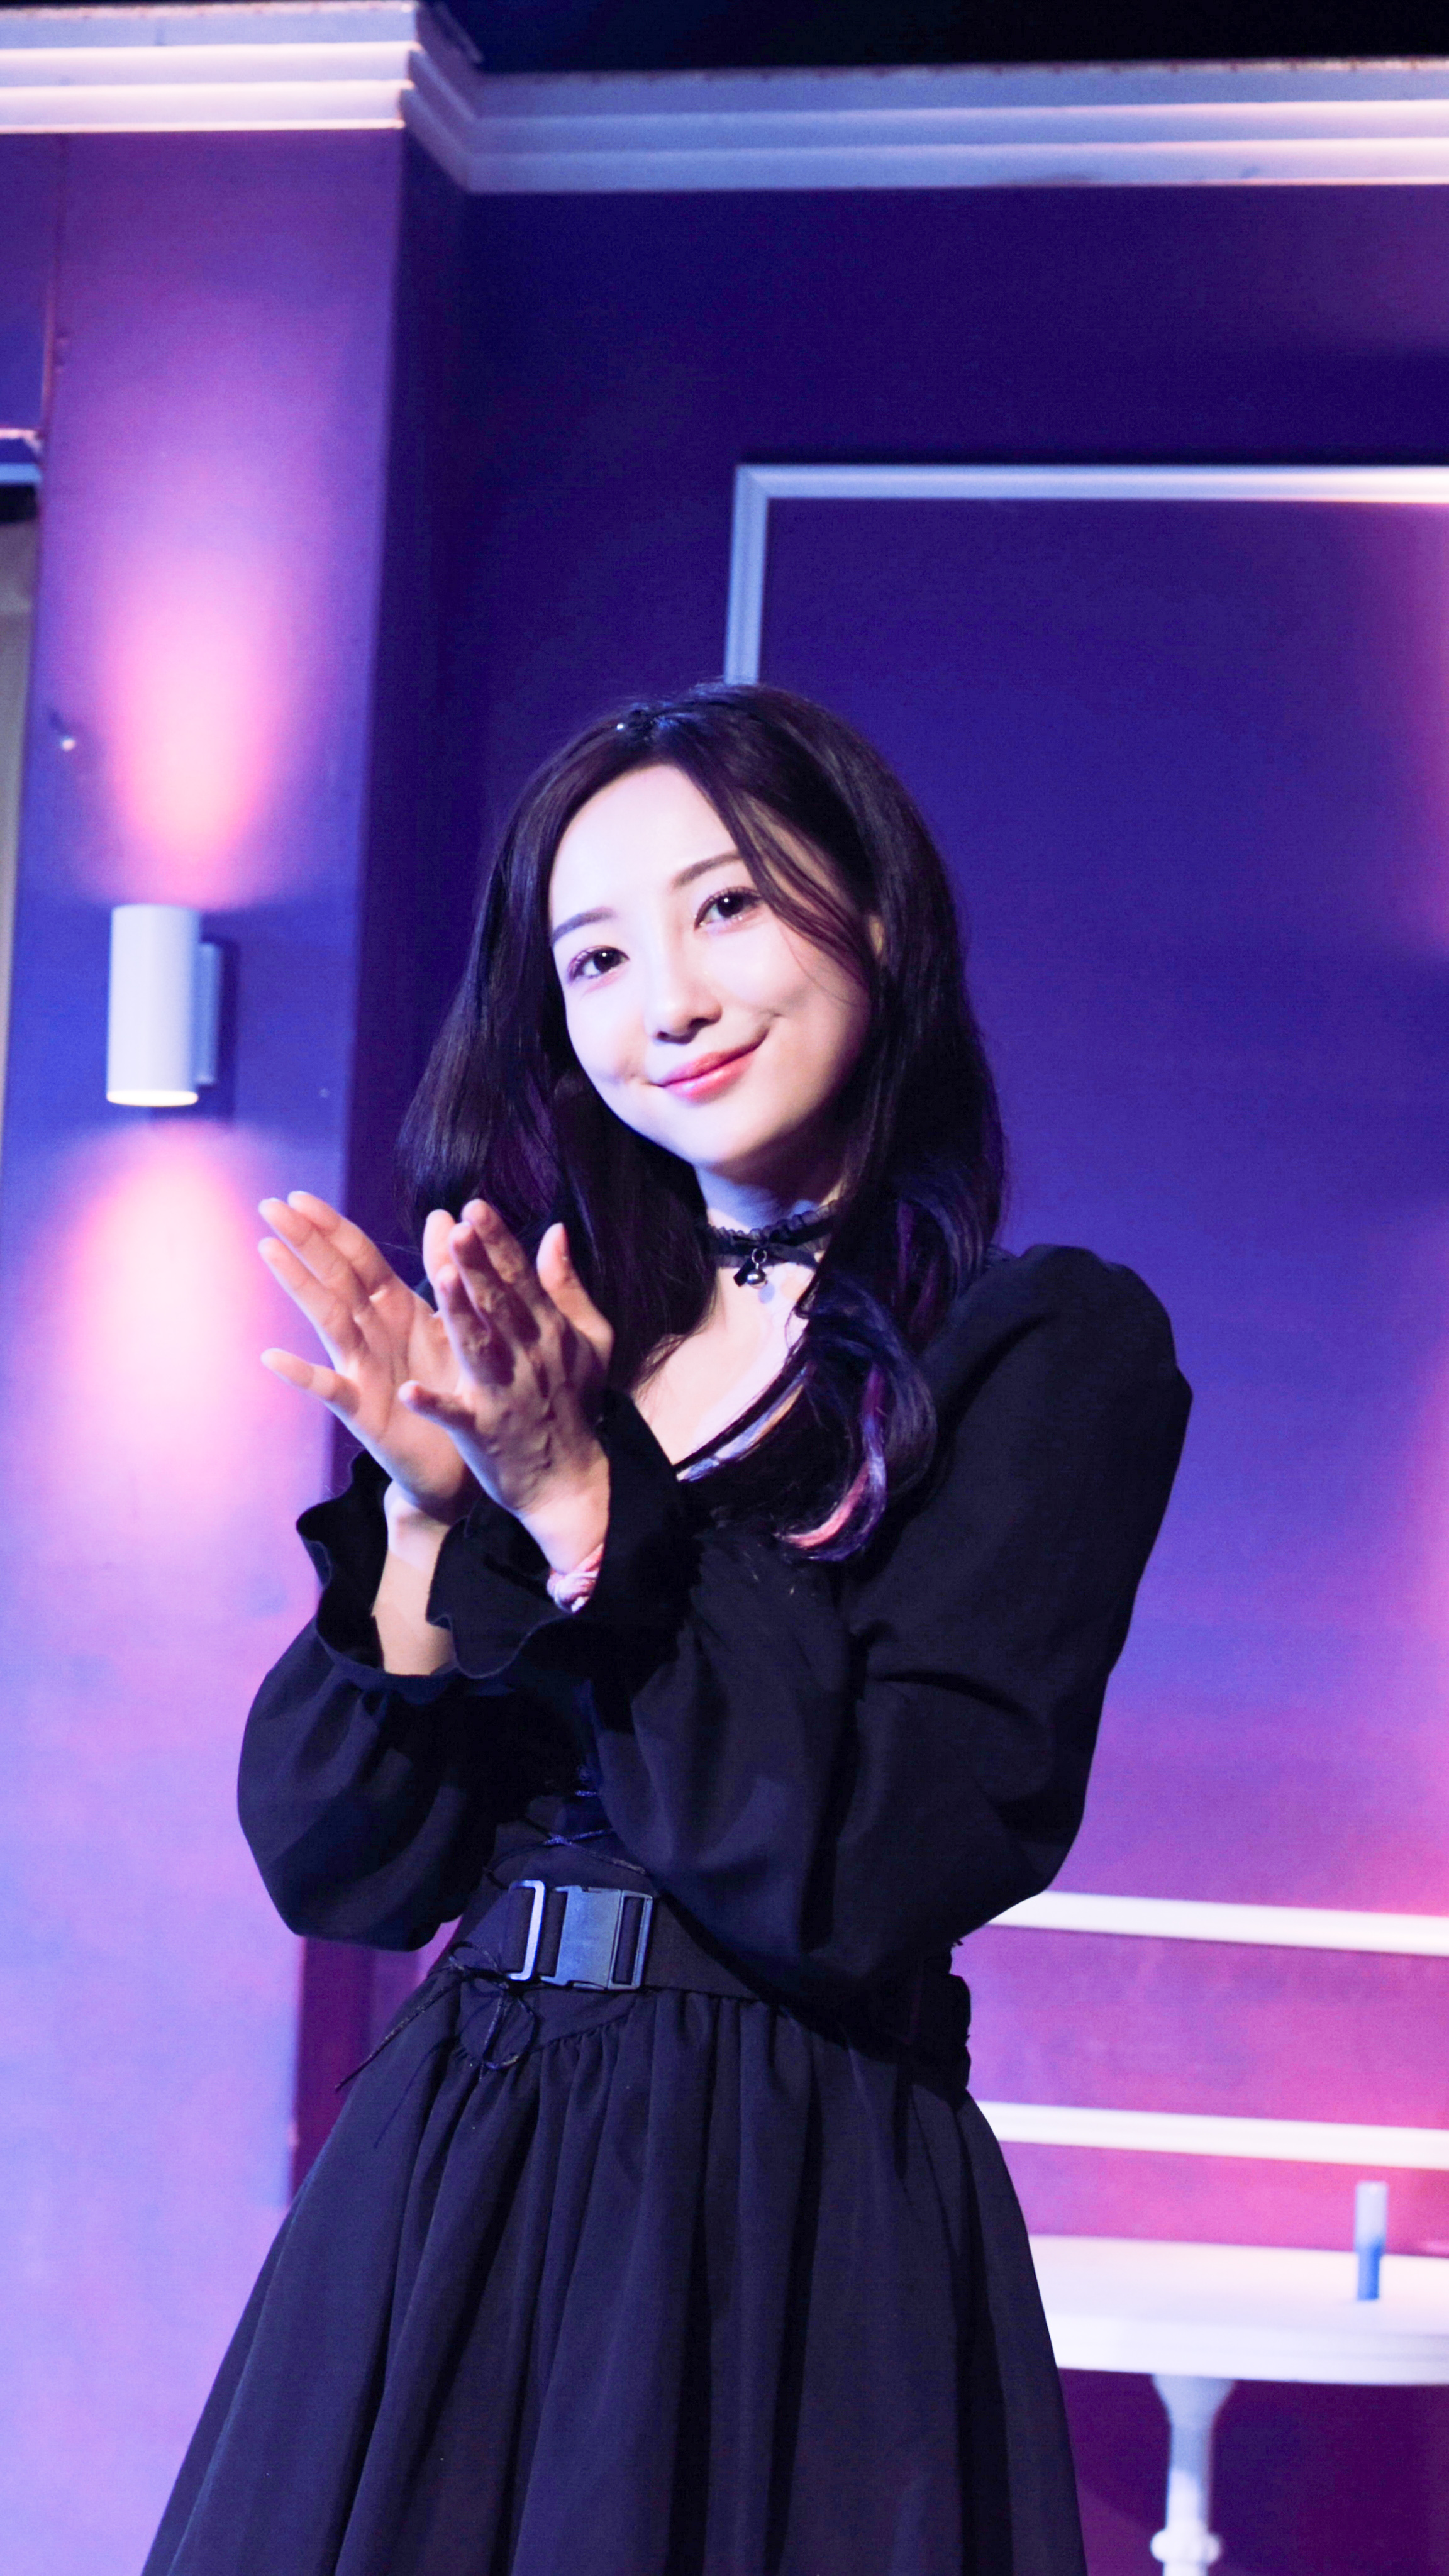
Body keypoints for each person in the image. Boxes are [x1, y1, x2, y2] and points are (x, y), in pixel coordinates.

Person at [144, 682, 1189, 2576]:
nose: (673, 1002)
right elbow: (348, 1869)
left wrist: (583, 1503)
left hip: (788, 2206)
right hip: (459, 2174)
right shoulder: (554, 1353)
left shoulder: (1040, 1348)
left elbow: (869, 1873)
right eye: (599, 957)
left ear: (876, 915)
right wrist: (428, 1506)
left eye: (728, 908)